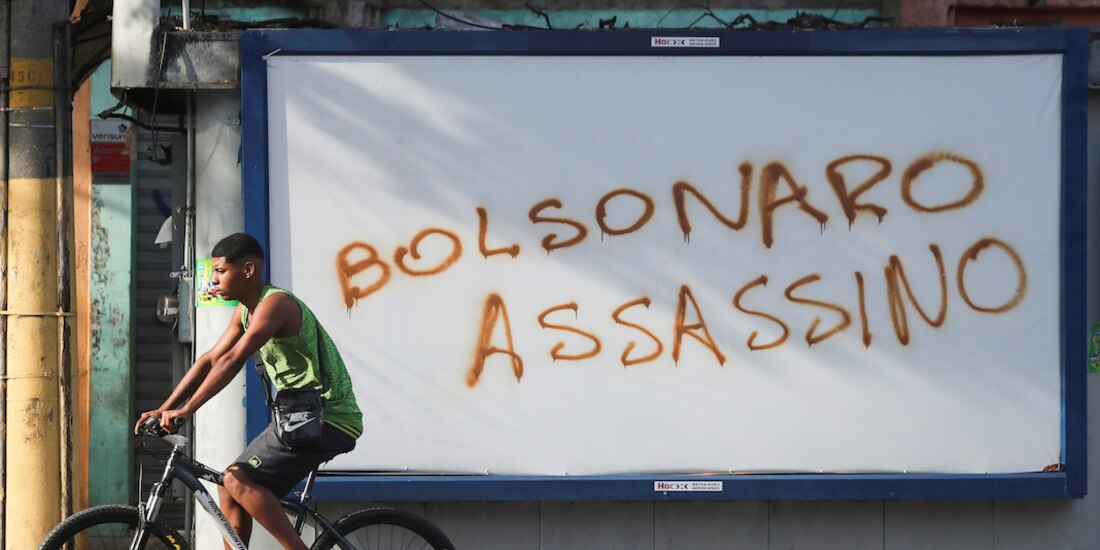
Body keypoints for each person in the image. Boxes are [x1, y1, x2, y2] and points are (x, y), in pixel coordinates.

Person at [135, 232, 362, 550]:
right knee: (228, 487)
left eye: (220, 271)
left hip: (329, 418)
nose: (214, 279)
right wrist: (166, 406)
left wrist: (187, 411)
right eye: (214, 271)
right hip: (298, 418)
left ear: (248, 270)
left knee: (238, 479)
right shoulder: (245, 312)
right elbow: (209, 360)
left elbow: (231, 360)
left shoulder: (276, 304)